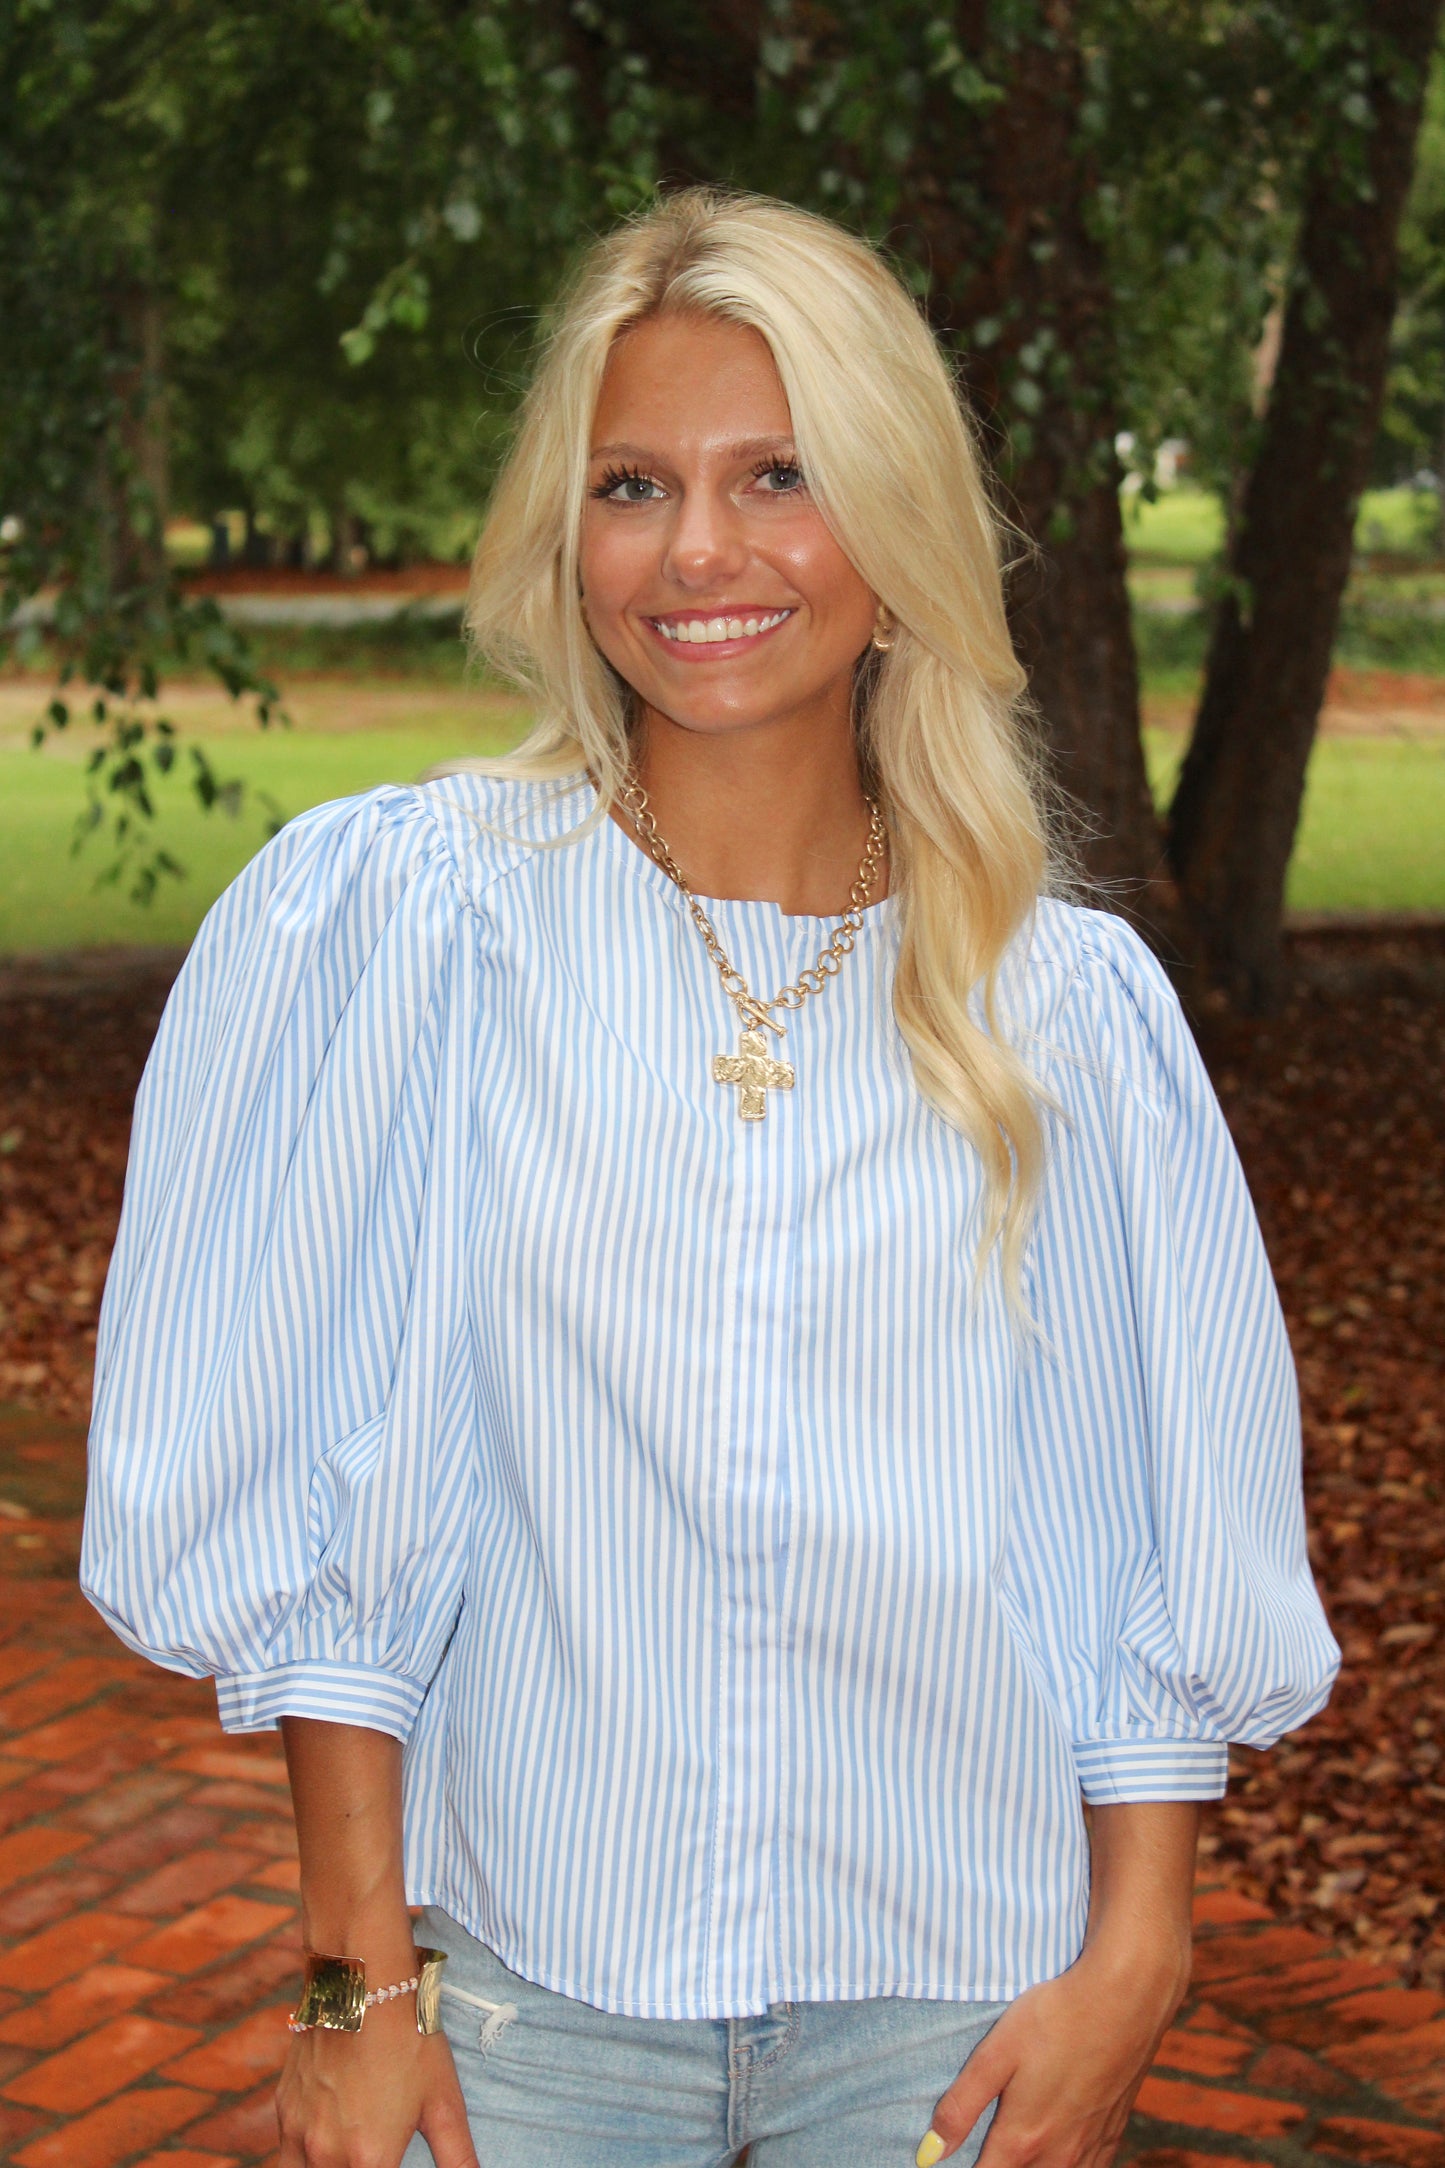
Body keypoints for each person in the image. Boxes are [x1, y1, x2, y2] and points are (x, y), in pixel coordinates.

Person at [82, 189, 1339, 2168]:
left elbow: (1128, 1527)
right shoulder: (422, 931)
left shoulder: (1063, 1005)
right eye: (633, 484)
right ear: (563, 531)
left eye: (780, 475)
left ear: (897, 522)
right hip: (522, 2003)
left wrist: (1142, 1961)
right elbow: (353, 1484)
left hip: (956, 1996)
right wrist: (351, 1978)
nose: (700, 553)